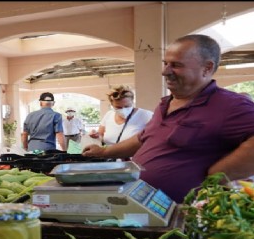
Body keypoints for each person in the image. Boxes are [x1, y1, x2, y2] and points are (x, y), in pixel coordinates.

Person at [82, 34, 254, 203]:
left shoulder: (229, 105)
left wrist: (218, 175)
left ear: (207, 68)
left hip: (183, 215)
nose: (165, 72)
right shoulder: (165, 104)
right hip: (146, 207)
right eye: (165, 63)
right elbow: (143, 139)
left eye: (176, 65)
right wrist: (104, 152)